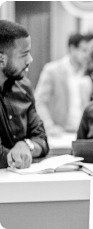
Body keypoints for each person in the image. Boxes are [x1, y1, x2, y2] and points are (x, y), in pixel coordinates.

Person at [0, 20, 49, 169]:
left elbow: (42, 140)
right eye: (24, 54)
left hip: (23, 184)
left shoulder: (24, 87)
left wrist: (25, 145)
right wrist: (18, 154)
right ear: (1, 59)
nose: (30, 60)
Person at [35, 33, 93, 136]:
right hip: (60, 133)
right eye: (84, 50)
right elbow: (39, 102)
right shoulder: (52, 71)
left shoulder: (89, 74)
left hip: (83, 133)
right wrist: (49, 126)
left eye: (89, 51)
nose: (87, 55)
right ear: (72, 49)